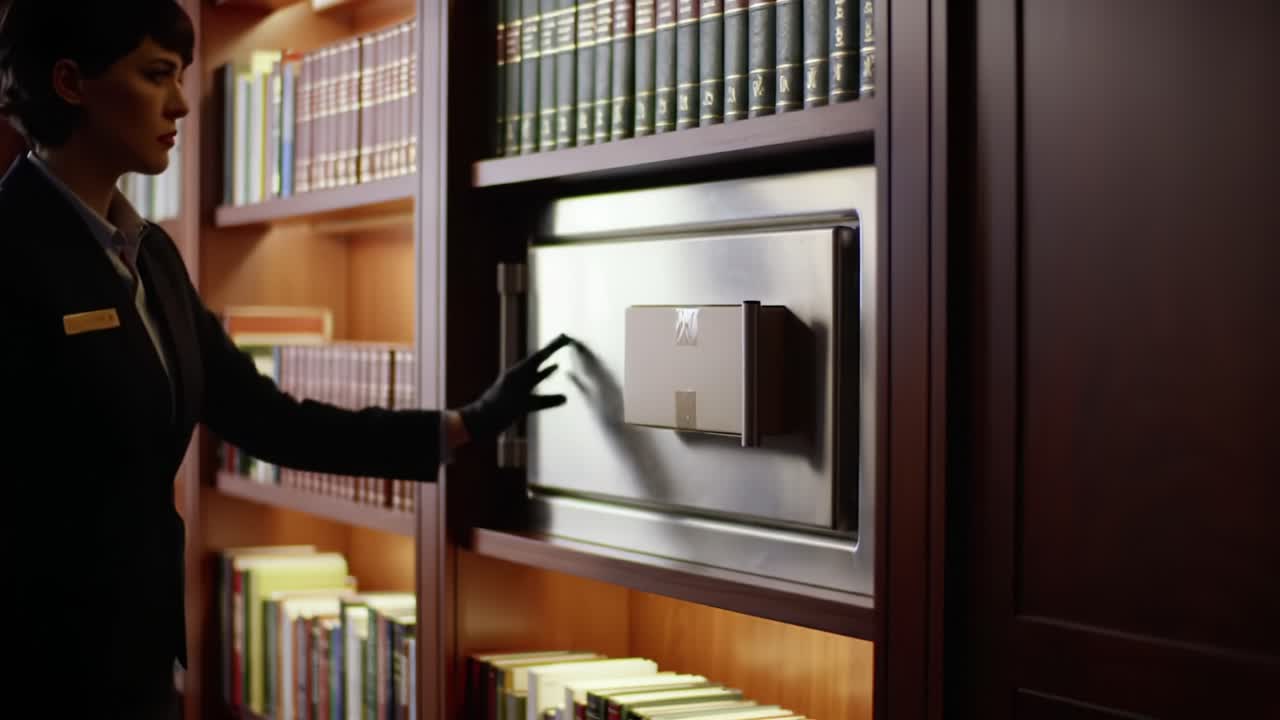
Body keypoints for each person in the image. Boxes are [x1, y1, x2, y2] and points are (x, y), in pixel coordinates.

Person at [0, 1, 572, 717]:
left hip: (139, 666)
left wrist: (464, 424)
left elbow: (268, 419)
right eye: (156, 75)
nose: (181, 103)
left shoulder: (152, 257)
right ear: (70, 82)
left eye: (179, 76)